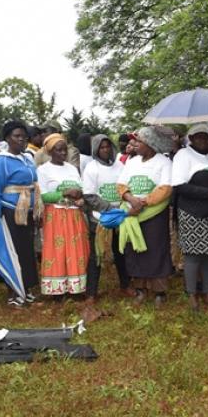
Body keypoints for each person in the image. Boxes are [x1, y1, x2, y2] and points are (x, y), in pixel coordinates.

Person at [171, 123, 208, 311]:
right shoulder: (183, 156)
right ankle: (192, 295)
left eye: (206, 137)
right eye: (199, 137)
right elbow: (179, 186)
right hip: (192, 214)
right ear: (191, 139)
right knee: (193, 256)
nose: (203, 140)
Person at [117, 126, 174, 306]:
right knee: (134, 251)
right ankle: (140, 289)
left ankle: (159, 291)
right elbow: (121, 184)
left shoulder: (164, 163)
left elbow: (165, 188)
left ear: (150, 144)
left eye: (139, 141)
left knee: (156, 250)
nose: (134, 144)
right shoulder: (132, 162)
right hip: (132, 213)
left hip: (154, 214)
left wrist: (144, 203)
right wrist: (131, 199)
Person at [0, 121, 41, 307]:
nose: (21, 139)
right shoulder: (2, 161)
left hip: (27, 211)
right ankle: (13, 292)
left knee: (26, 251)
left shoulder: (27, 158)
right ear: (7, 138)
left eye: (24, 136)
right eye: (17, 136)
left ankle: (27, 288)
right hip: (10, 211)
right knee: (13, 252)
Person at [37, 133, 94, 298]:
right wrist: (65, 193)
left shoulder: (72, 168)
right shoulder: (43, 170)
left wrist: (80, 197)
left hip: (74, 215)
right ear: (50, 152)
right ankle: (57, 291)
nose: (63, 154)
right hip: (55, 215)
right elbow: (43, 196)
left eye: (65, 150)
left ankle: (76, 289)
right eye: (59, 150)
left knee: (77, 251)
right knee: (58, 251)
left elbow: (81, 188)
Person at [82, 134, 133, 299]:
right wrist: (109, 208)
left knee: (121, 253)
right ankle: (91, 293)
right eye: (101, 147)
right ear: (96, 150)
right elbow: (89, 195)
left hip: (120, 217)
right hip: (100, 218)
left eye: (107, 146)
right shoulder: (92, 168)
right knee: (96, 255)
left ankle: (125, 285)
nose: (105, 150)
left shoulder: (120, 166)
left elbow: (126, 187)